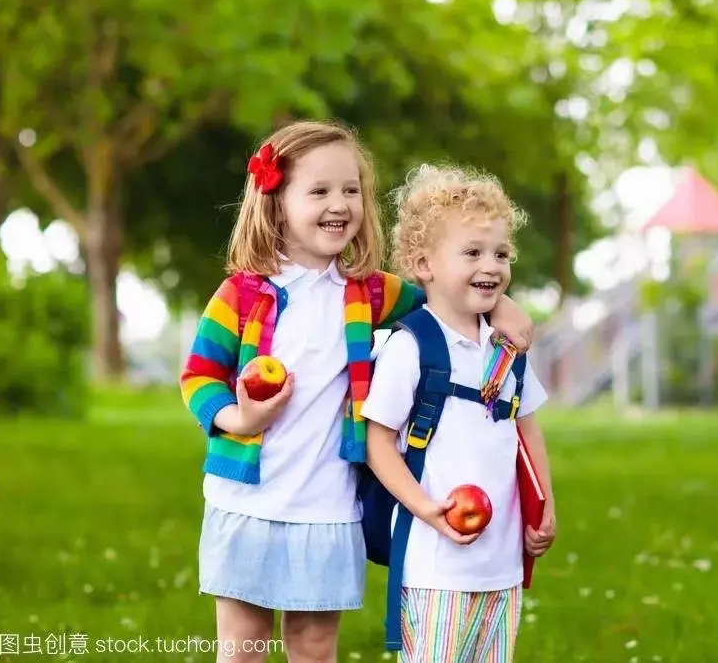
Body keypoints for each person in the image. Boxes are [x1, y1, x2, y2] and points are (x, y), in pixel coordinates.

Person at [178, 122, 534, 663]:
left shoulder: (368, 292)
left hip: (328, 506)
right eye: (318, 191)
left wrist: (498, 305)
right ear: (276, 204)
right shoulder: (242, 294)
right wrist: (238, 419)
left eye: (350, 190)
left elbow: (442, 296)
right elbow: (198, 377)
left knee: (315, 646)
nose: (338, 204)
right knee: (243, 646)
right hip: (245, 501)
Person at [361, 164, 557, 662]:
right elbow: (378, 442)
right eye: (472, 253)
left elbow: (526, 429)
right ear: (423, 263)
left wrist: (544, 506)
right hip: (434, 567)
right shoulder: (411, 348)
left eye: (500, 254)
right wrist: (424, 508)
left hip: (502, 564)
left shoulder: (505, 349)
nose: (491, 266)